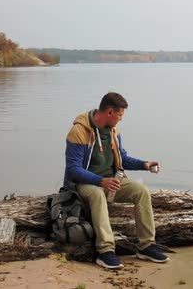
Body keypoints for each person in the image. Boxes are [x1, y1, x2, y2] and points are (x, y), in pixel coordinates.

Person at [63, 92, 169, 269]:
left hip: (111, 181)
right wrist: (100, 181)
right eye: (120, 115)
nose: (121, 119)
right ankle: (105, 251)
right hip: (83, 184)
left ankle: (146, 246)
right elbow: (74, 170)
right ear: (110, 112)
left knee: (141, 191)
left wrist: (144, 164)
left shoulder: (113, 130)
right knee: (97, 194)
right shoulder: (78, 131)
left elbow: (123, 158)